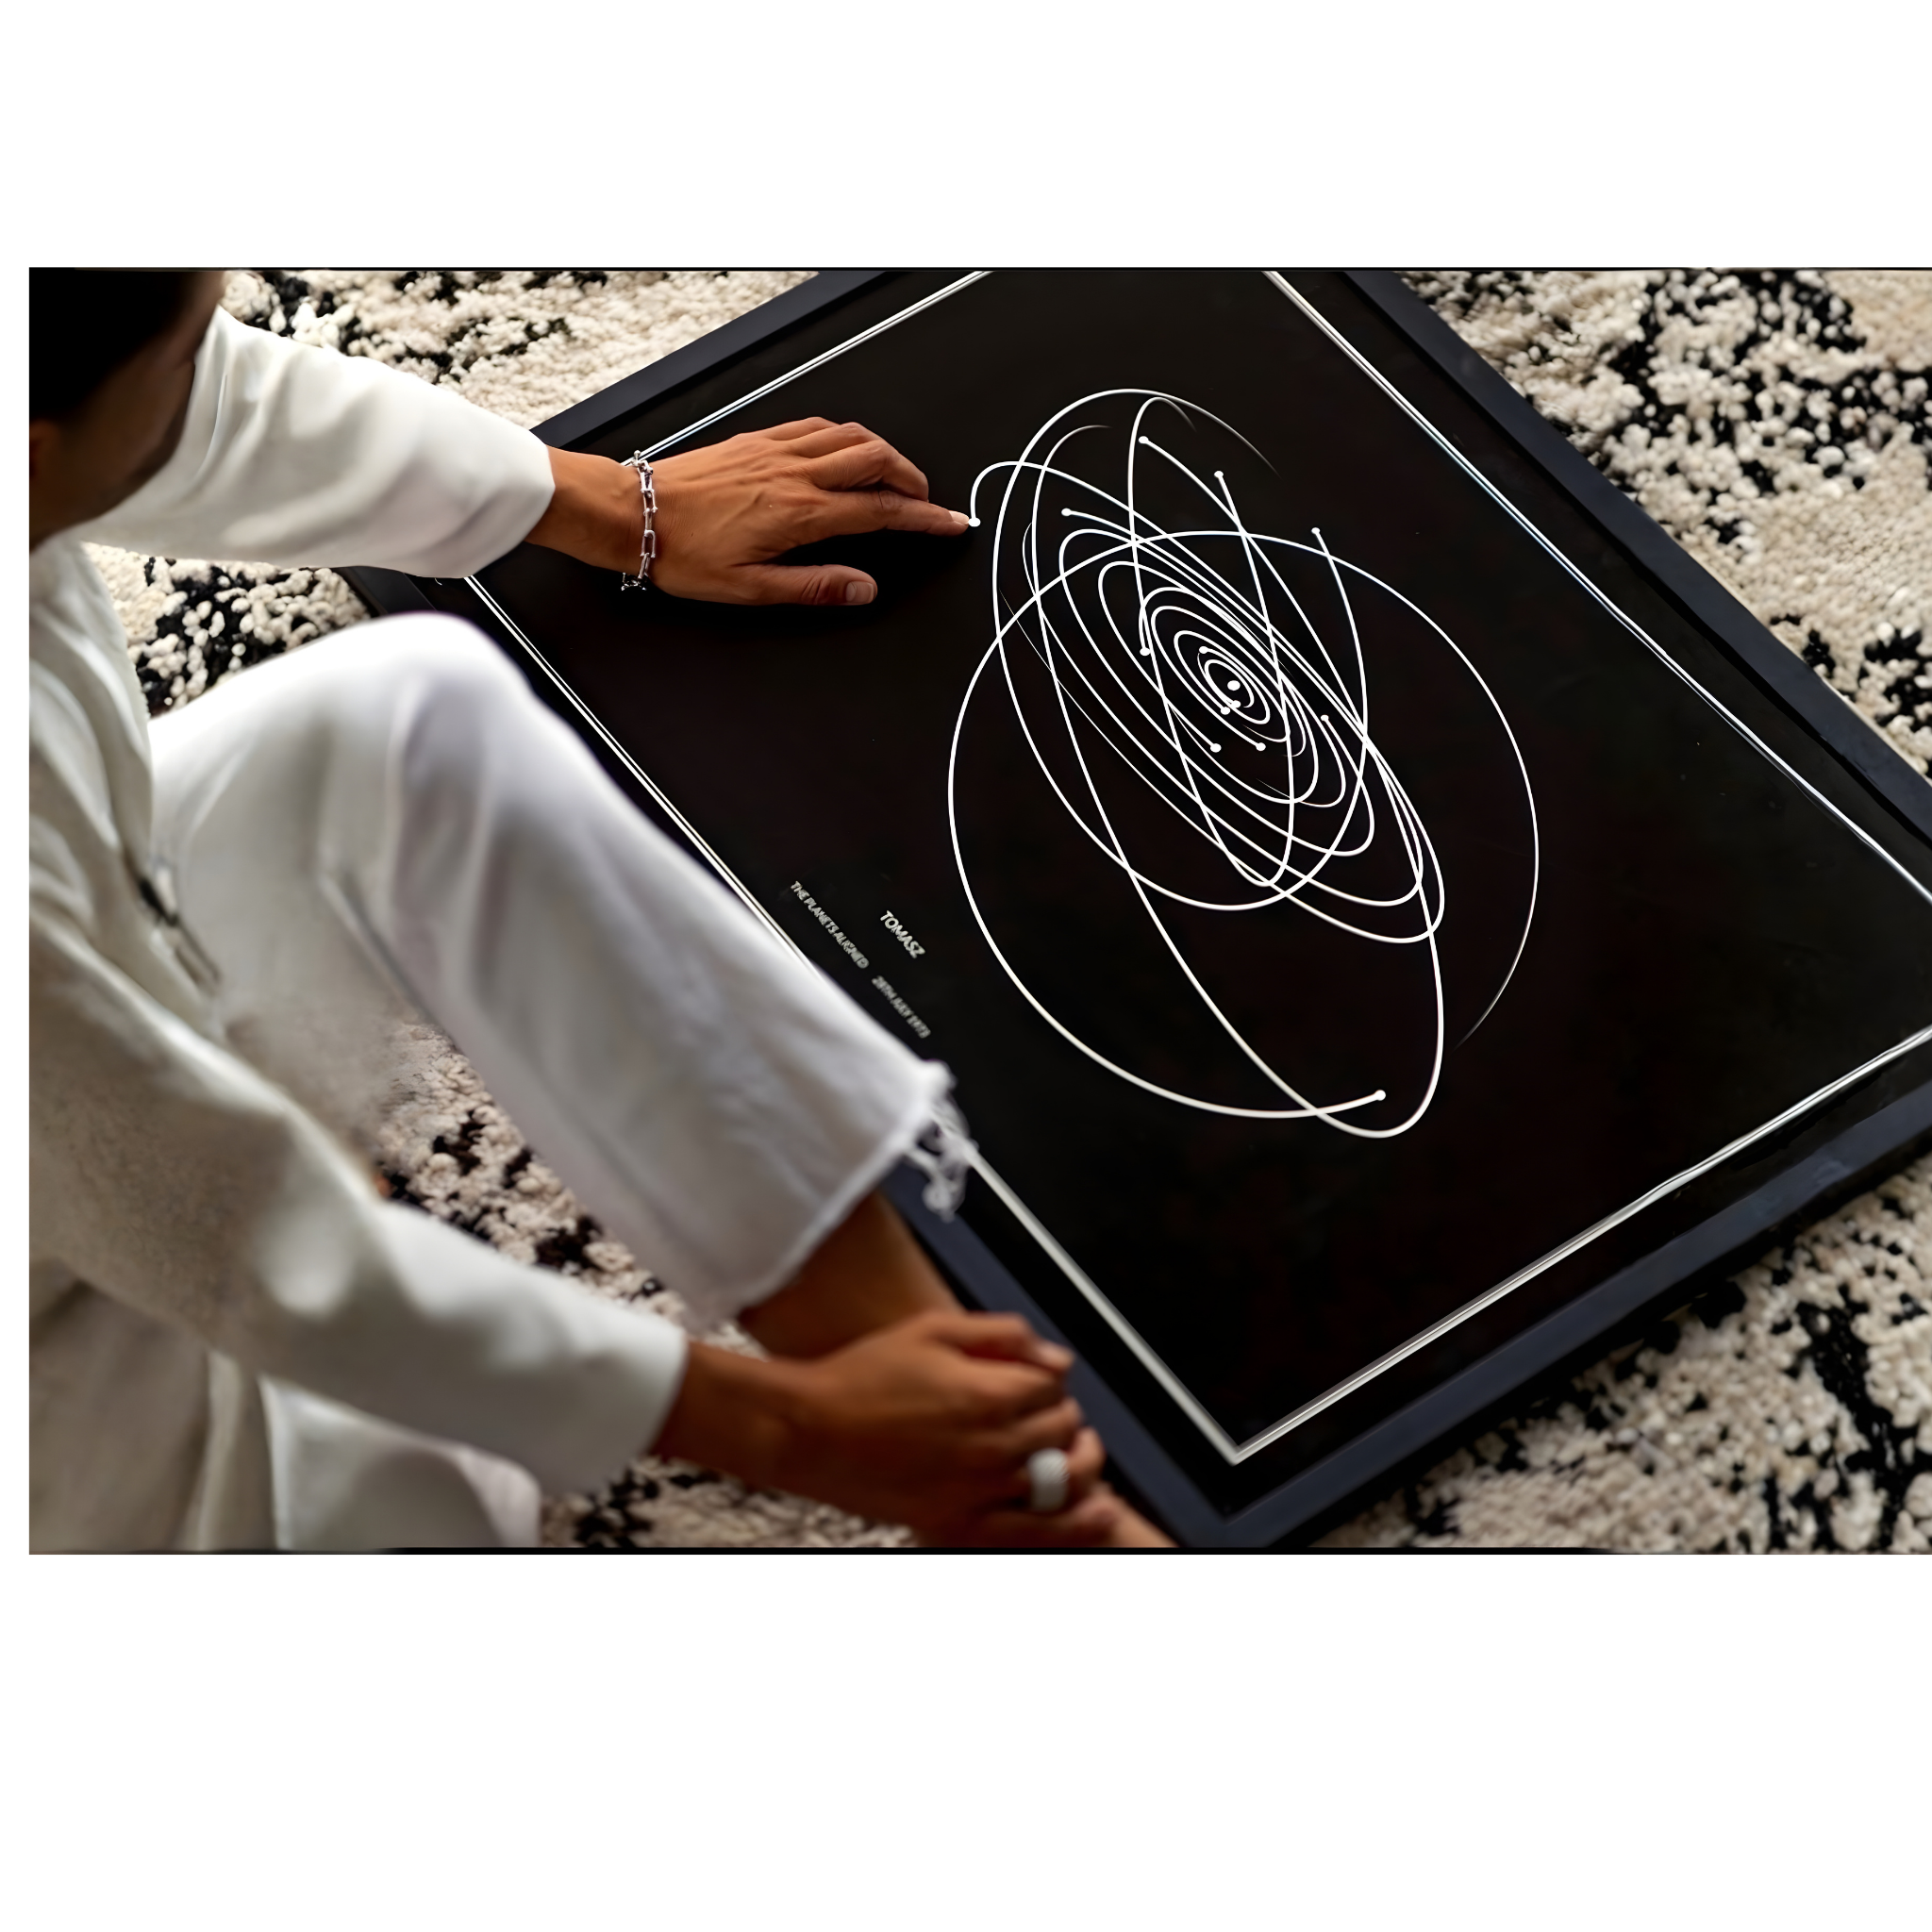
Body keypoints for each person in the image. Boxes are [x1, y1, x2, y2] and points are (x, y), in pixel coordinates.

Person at [29, 268, 1169, 1552]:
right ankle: (941, 1456)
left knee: (414, 716)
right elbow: (241, 1242)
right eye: (185, 356)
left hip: (79, 916)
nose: (216, 365)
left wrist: (606, 504)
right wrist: (792, 1433)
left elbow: (187, 395)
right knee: (397, 1508)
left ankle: (990, 1471)